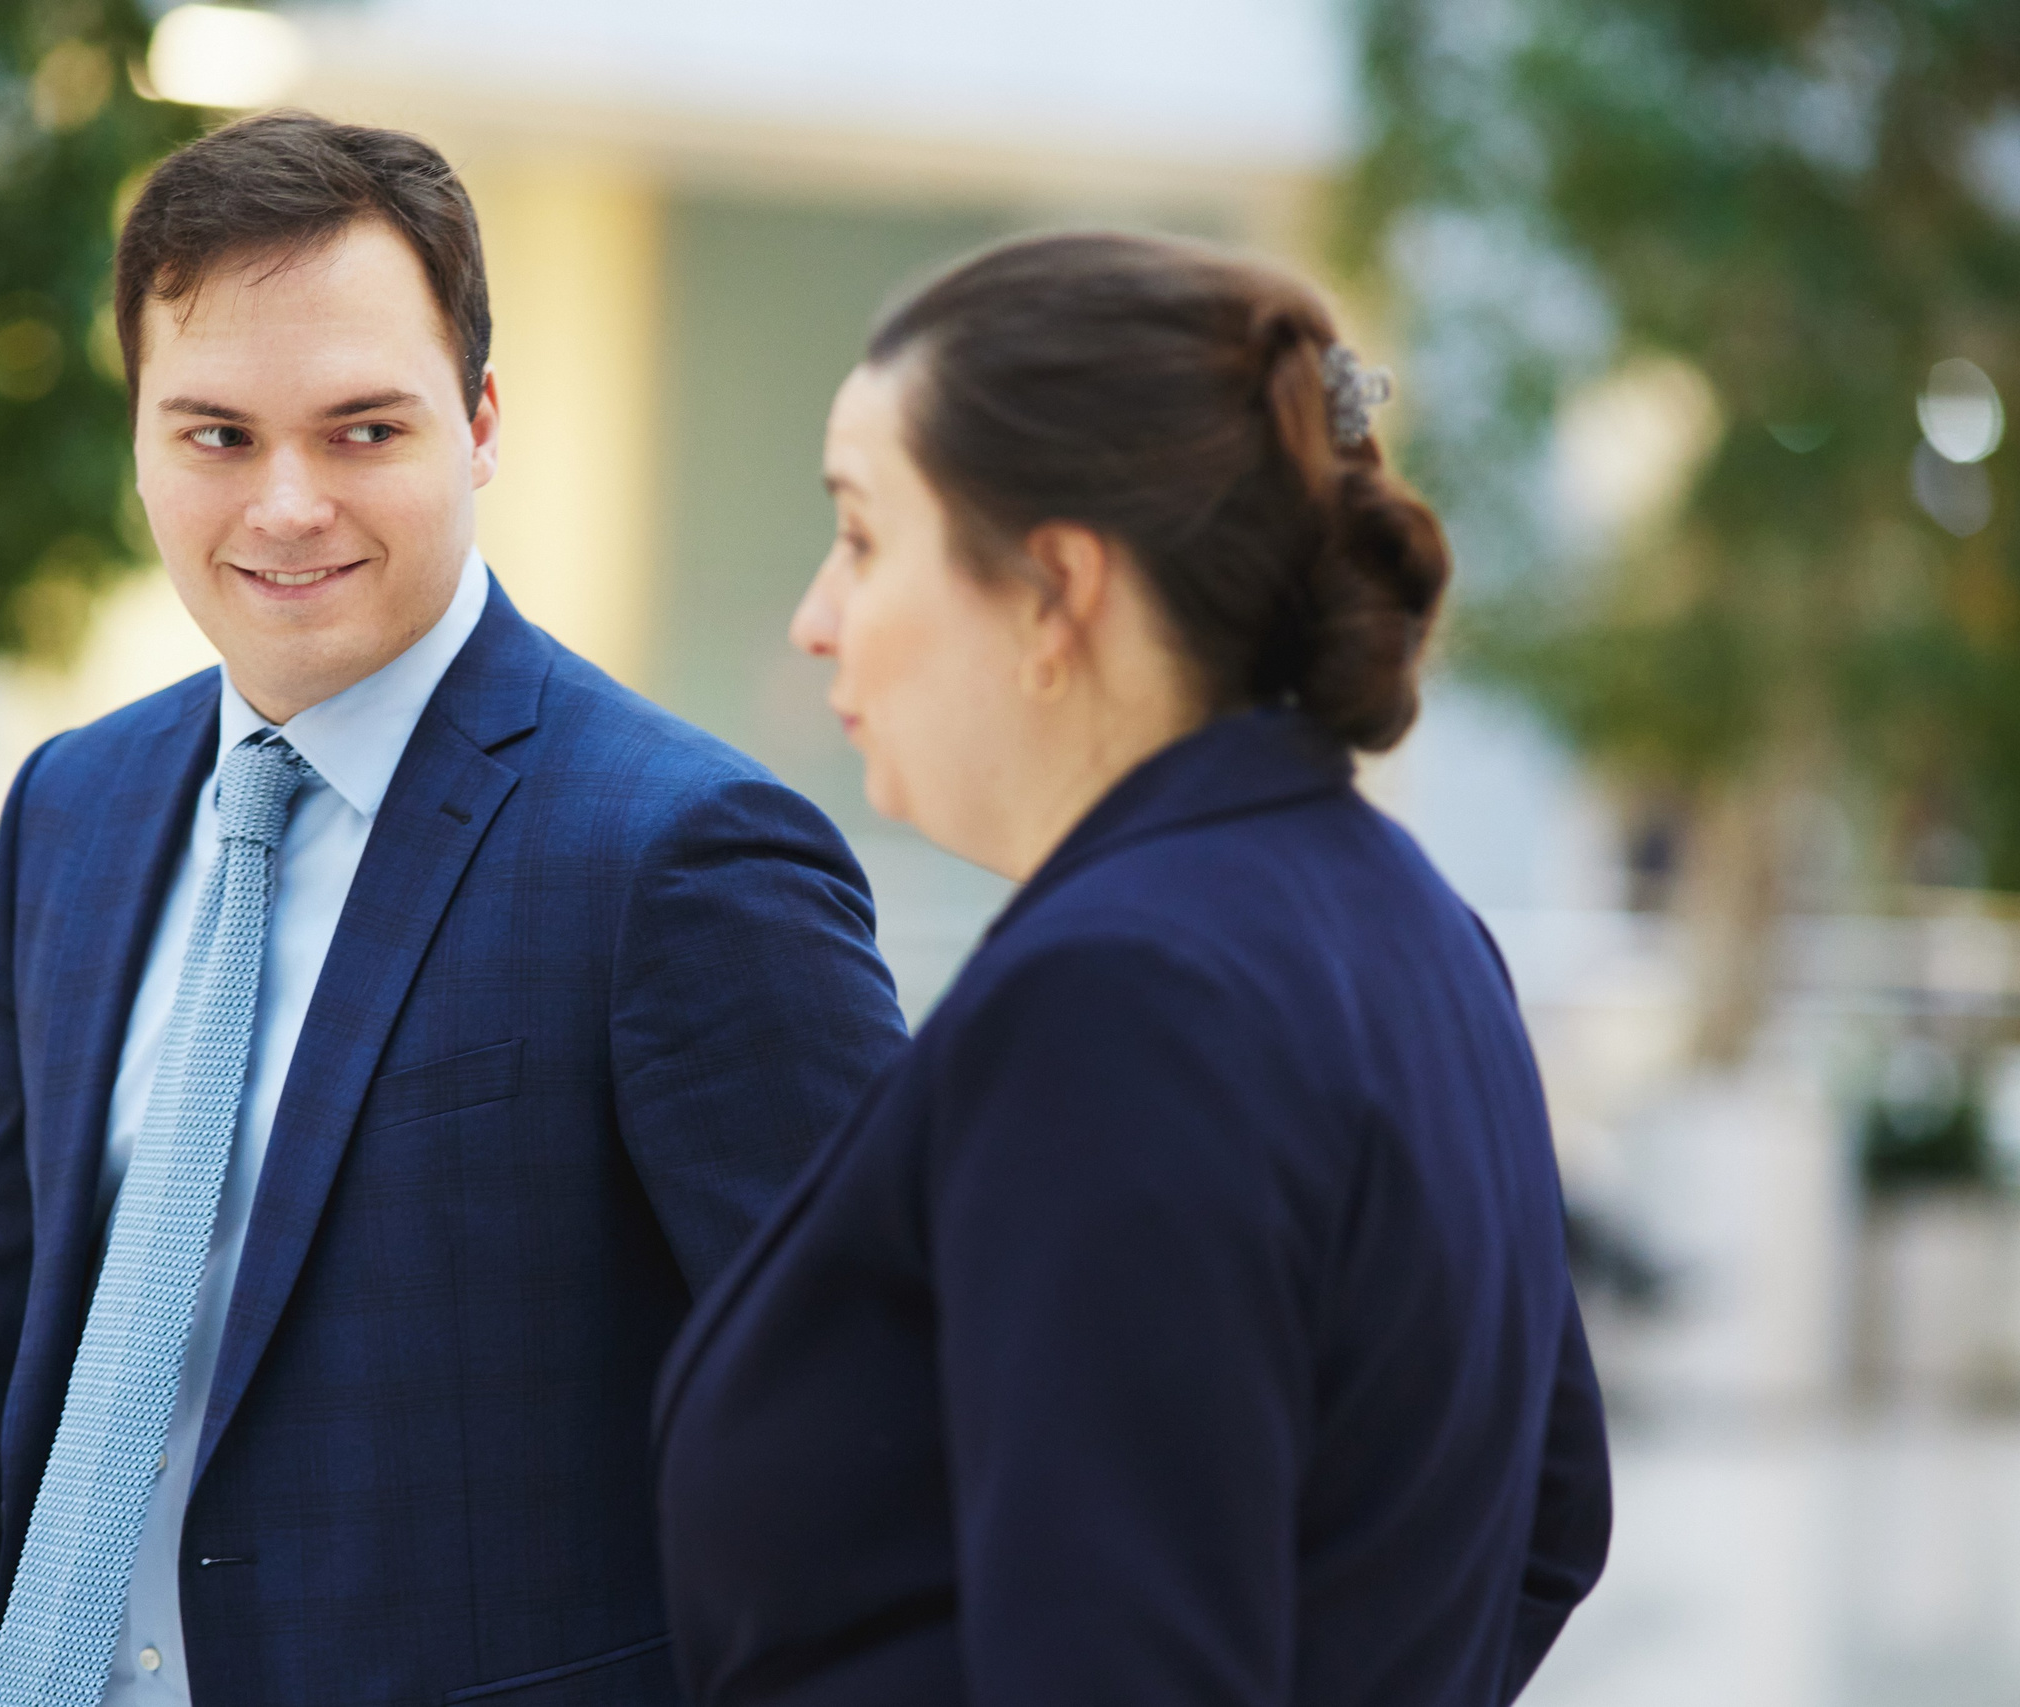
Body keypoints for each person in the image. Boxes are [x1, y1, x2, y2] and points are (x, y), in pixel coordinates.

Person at [0, 113, 906, 1707]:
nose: (285, 505)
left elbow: (877, 1446)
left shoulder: (680, 859)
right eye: (216, 435)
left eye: (362, 431)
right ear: (138, 434)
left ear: (479, 424)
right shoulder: (74, 808)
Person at [653, 232, 1611, 1705]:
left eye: (859, 534)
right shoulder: (1418, 926)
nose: (816, 616)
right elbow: (1549, 1529)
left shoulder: (1118, 1001)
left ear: (1055, 592)